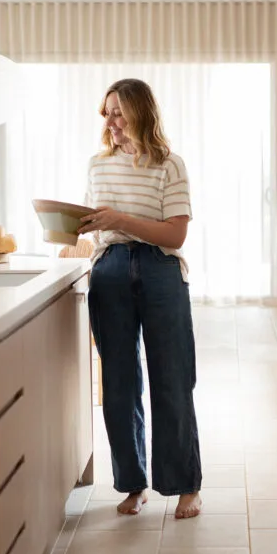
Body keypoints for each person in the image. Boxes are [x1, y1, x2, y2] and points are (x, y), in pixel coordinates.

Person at [79, 78, 202, 520]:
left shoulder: (170, 165)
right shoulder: (98, 165)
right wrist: (70, 228)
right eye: (106, 112)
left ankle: (185, 485)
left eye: (117, 111)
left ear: (140, 112)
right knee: (119, 383)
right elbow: (98, 224)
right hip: (109, 269)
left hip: (160, 269)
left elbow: (175, 233)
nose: (109, 121)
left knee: (172, 377)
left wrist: (120, 219)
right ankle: (133, 484)